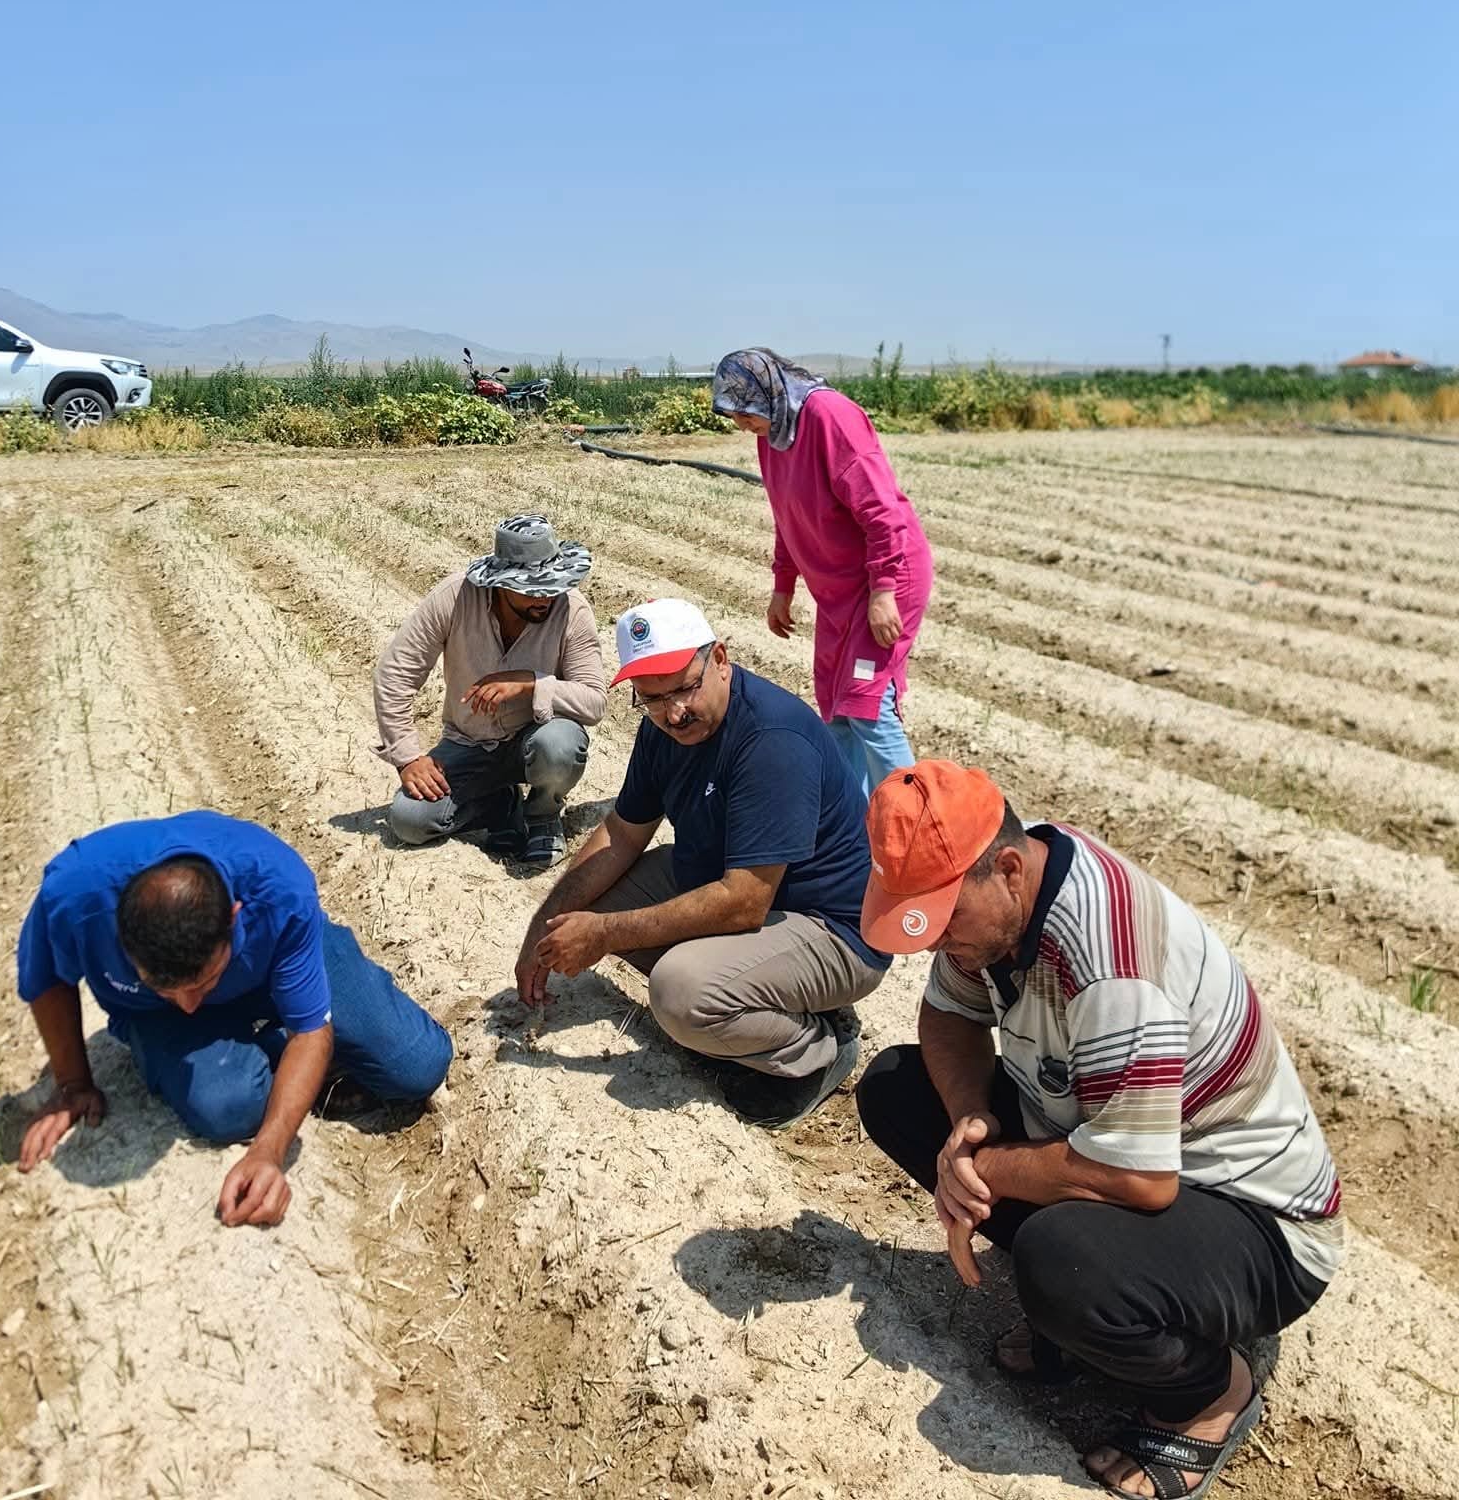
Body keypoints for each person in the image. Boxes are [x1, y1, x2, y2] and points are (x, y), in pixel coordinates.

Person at [854, 760, 1342, 1499]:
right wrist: (967, 1127)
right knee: (896, 1089)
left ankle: (1212, 1395)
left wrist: (983, 1171)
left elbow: (1137, 1180)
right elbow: (948, 1016)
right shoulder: (997, 919)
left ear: (1009, 870)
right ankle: (1093, 1322)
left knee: (1061, 1262)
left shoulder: (1110, 961)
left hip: (1259, 1223)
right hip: (1119, 1139)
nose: (929, 943)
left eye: (942, 918)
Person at [513, 598, 890, 1128]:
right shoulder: (662, 731)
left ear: (719, 659)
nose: (673, 712)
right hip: (735, 889)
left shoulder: (770, 740)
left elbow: (743, 902)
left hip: (832, 929)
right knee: (585, 897)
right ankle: (760, 998)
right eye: (653, 699)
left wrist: (605, 934)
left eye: (685, 687)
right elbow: (622, 833)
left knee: (680, 992)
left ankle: (819, 1046)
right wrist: (542, 926)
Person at [15, 812, 451, 1228]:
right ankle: (280, 1055)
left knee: (416, 1065)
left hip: (275, 967)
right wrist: (72, 1084)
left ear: (235, 917)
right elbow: (47, 979)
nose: (187, 1005)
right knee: (228, 1106)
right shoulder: (73, 894)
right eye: (164, 988)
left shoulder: (277, 887)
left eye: (203, 983)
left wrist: (269, 1151)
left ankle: (291, 1038)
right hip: (153, 1018)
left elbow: (310, 1030)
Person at [711, 348, 934, 795]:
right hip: (839, 592)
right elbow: (787, 515)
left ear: (767, 392)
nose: (742, 424)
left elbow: (881, 510)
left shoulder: (830, 416)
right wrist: (782, 587)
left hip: (884, 578)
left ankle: (922, 822)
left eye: (745, 412)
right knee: (835, 710)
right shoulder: (773, 432)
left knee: (868, 706)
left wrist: (884, 589)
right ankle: (856, 823)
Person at [375, 514, 605, 869]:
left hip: (536, 742)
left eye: (552, 585)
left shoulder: (572, 610)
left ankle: (542, 817)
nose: (544, 597)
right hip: (468, 742)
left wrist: (531, 682)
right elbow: (395, 674)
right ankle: (500, 804)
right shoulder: (454, 598)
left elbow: (594, 701)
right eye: (531, 589)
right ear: (500, 583)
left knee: (559, 743)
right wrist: (407, 757)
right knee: (410, 820)